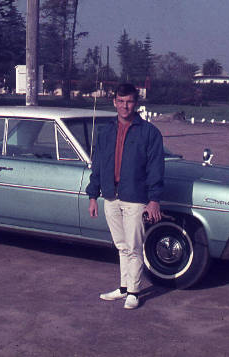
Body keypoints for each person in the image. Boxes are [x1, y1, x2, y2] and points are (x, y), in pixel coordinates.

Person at [86, 83, 164, 310]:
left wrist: (154, 199)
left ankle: (134, 292)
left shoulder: (149, 132)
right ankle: (123, 288)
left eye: (129, 101)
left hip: (135, 198)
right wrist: (93, 195)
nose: (124, 106)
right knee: (121, 245)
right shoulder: (106, 131)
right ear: (114, 103)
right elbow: (98, 165)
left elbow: (156, 168)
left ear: (136, 103)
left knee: (134, 246)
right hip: (110, 195)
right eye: (120, 101)